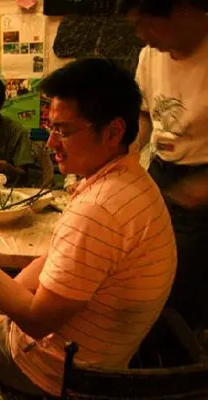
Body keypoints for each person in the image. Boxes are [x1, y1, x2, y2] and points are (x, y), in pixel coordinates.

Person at [0, 59, 177, 397]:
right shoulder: (132, 177)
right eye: (51, 129)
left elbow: (36, 322)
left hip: (56, 373)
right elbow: (53, 260)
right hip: (102, 355)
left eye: (63, 131)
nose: (51, 143)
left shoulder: (98, 209)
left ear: (113, 132)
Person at [120, 0, 208, 331]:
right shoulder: (150, 55)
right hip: (163, 167)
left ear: (185, 12)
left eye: (146, 24)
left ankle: (184, 346)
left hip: (201, 176)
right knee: (139, 257)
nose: (142, 35)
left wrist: (199, 189)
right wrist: (127, 155)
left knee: (182, 278)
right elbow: (145, 114)